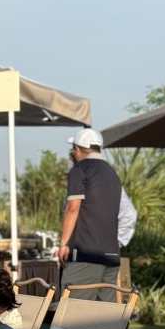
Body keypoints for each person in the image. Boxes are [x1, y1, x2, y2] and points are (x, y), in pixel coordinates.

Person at [57, 129, 122, 301]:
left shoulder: (80, 169)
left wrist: (63, 243)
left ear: (78, 149)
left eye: (73, 149)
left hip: (85, 254)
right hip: (111, 255)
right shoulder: (112, 172)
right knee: (104, 313)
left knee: (73, 311)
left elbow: (73, 207)